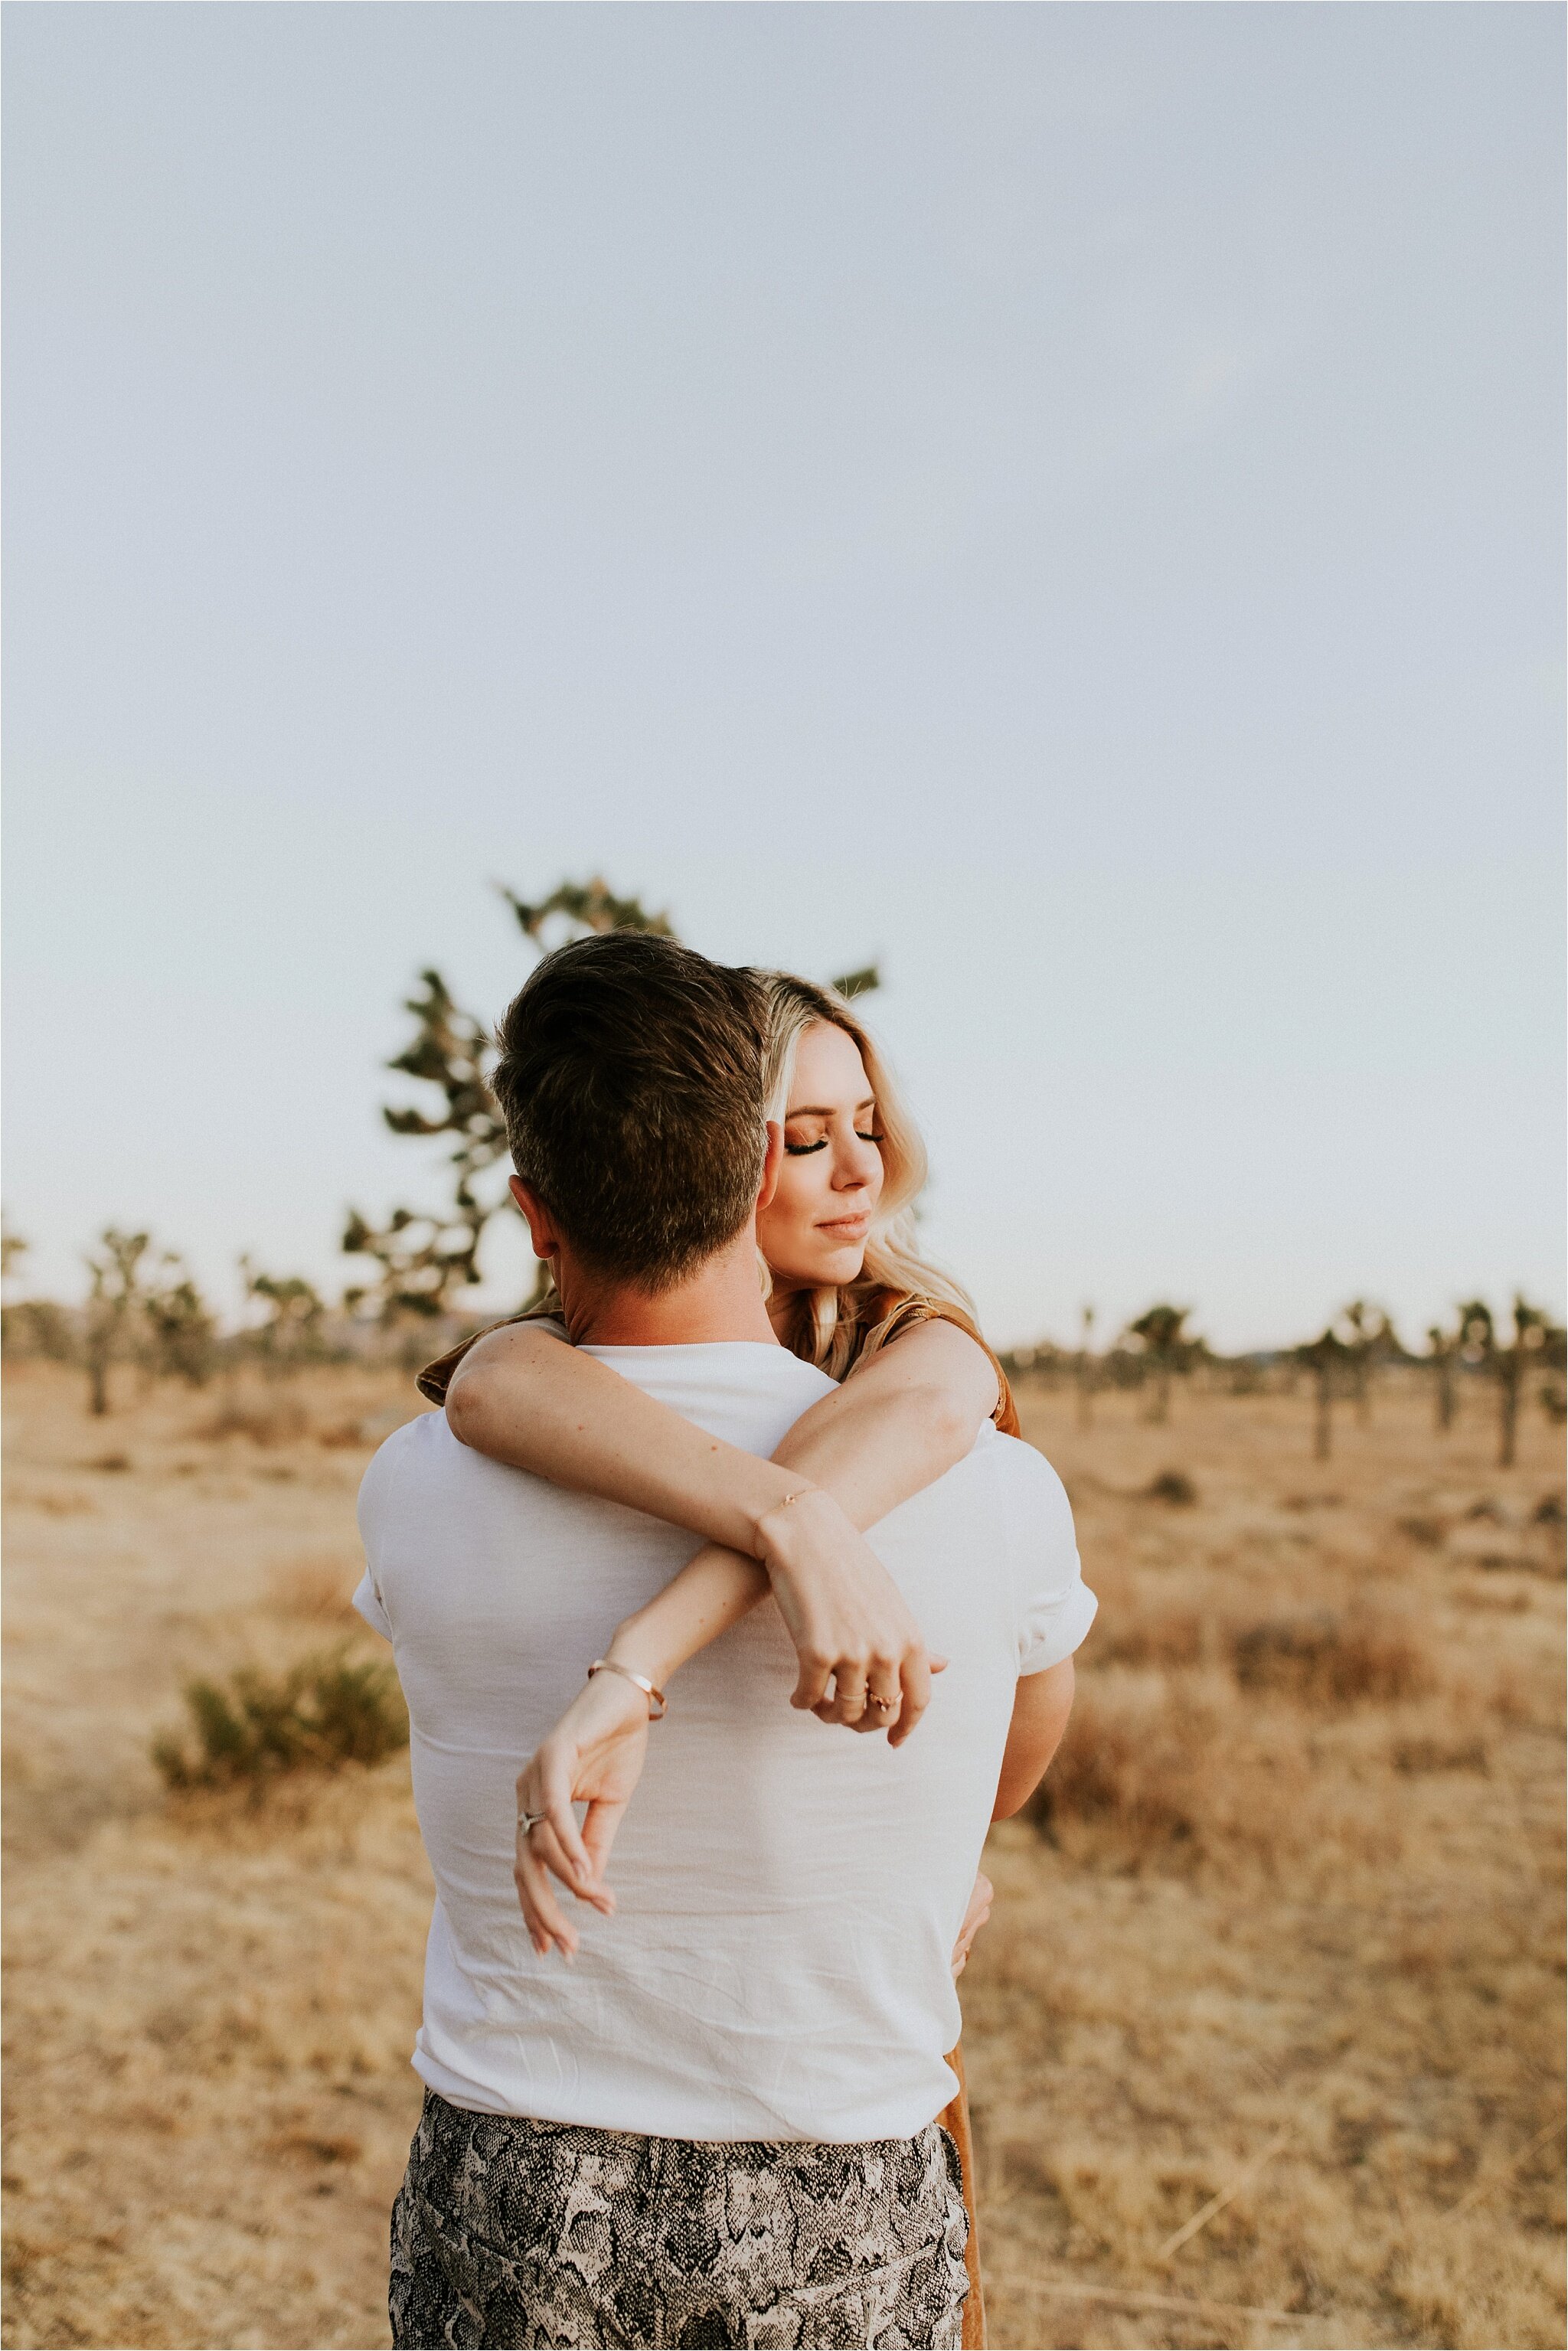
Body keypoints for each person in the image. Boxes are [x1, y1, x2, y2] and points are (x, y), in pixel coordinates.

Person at [355, 932, 1096, 2349]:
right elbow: (1003, 1767)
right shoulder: (999, 1487)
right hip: (844, 2183)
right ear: (750, 1167)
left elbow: (496, 1376)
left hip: (514, 2179)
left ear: (532, 1207)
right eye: (811, 1137)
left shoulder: (415, 1476)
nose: (855, 1169)